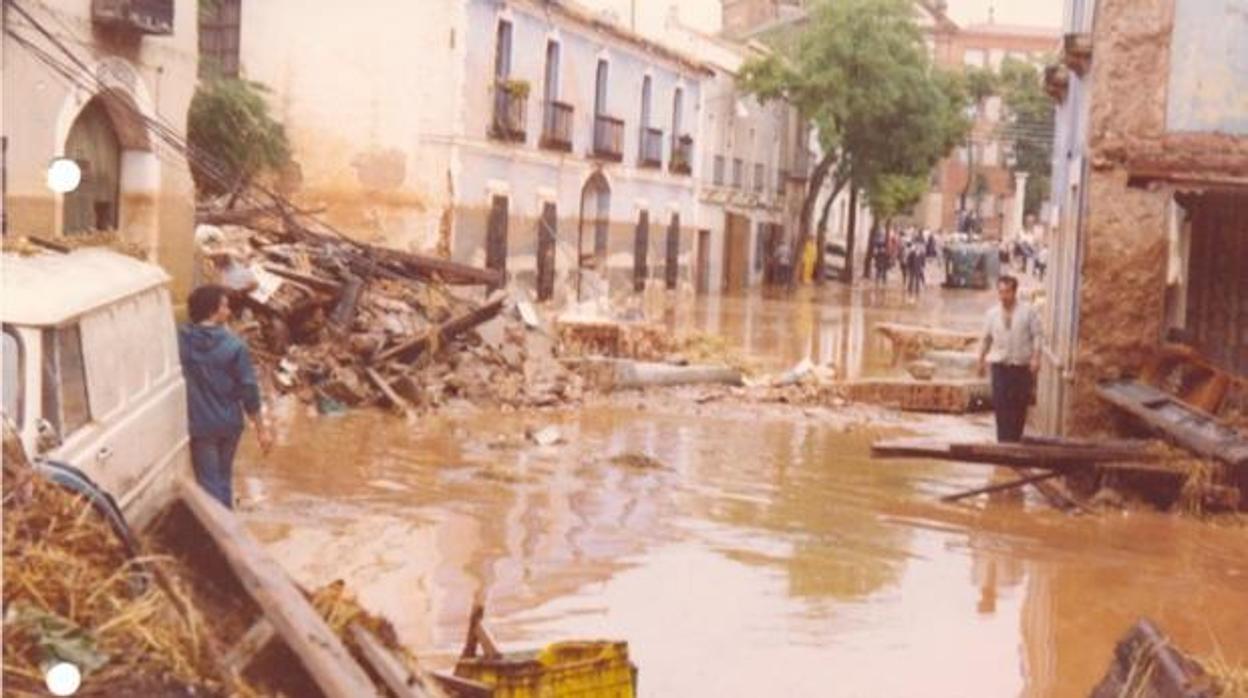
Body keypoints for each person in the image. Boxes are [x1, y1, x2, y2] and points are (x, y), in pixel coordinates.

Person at [179, 284, 273, 508]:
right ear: (213, 311)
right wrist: (261, 429)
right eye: (225, 307)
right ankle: (226, 528)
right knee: (223, 478)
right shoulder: (235, 346)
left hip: (200, 424)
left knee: (208, 482)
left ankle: (215, 535)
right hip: (229, 423)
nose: (229, 312)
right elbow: (249, 389)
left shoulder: (182, 340)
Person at [977, 275, 1042, 442]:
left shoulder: (1029, 312)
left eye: (1007, 292)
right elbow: (986, 339)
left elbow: (1037, 336)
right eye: (1000, 292)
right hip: (1000, 366)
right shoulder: (992, 314)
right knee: (1001, 406)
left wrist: (1036, 358)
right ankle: (1003, 444)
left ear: (1014, 292)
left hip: (1021, 367)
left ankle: (1015, 442)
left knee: (1019, 408)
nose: (1003, 296)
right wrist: (981, 361)